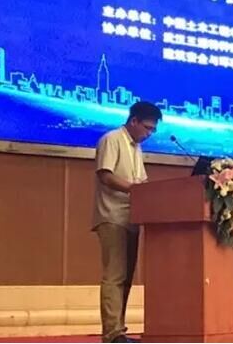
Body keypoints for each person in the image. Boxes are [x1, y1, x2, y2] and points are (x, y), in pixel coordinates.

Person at [92, 101, 163, 343]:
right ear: (134, 121)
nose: (149, 133)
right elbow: (105, 175)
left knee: (126, 277)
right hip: (112, 215)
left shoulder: (136, 148)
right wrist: (135, 189)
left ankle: (118, 330)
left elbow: (140, 182)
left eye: (153, 130)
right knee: (114, 276)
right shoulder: (112, 139)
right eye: (147, 128)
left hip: (132, 217)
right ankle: (112, 334)